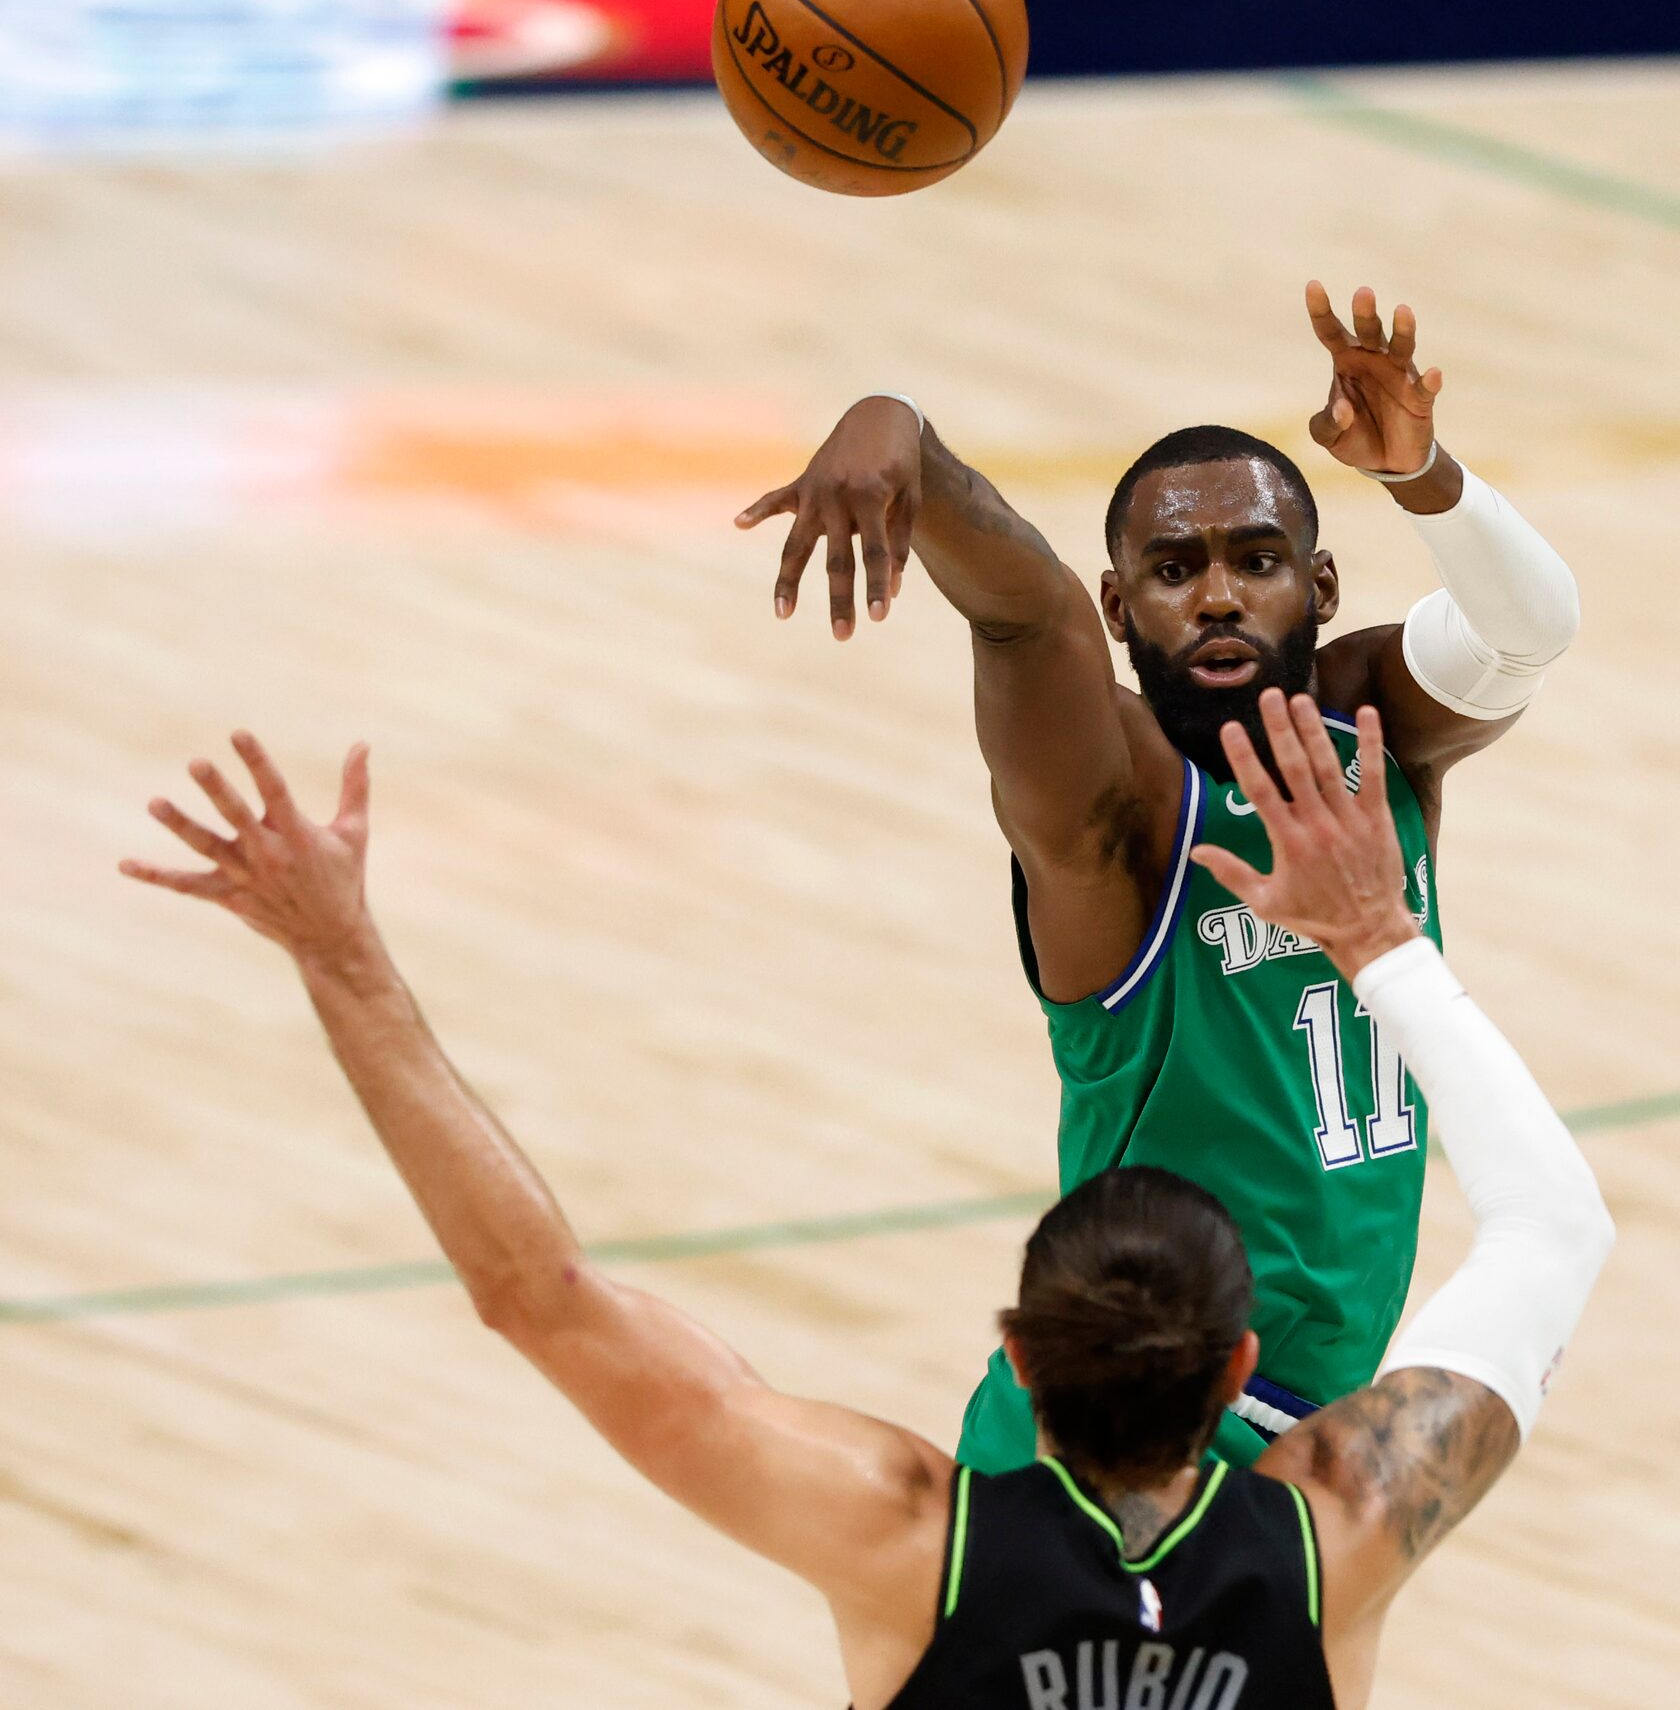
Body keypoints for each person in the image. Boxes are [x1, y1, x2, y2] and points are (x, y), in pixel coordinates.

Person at [119, 692, 1612, 1710]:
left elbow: (542, 1295)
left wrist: (347, 964)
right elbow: (1553, 1221)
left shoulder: (912, 1541)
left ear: (1015, 1363)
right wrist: (1377, 940)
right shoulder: (1340, 1522)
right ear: (1240, 1369)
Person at [736, 283, 1581, 1470]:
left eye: (1259, 559)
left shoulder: (1377, 732)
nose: (1222, 594)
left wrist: (1425, 476)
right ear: (1121, 606)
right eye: (1177, 570)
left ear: (1321, 588)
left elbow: (1528, 629)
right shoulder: (1123, 809)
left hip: (1296, 1438)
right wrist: (899, 427)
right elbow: (1028, 627)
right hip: (1109, 1439)